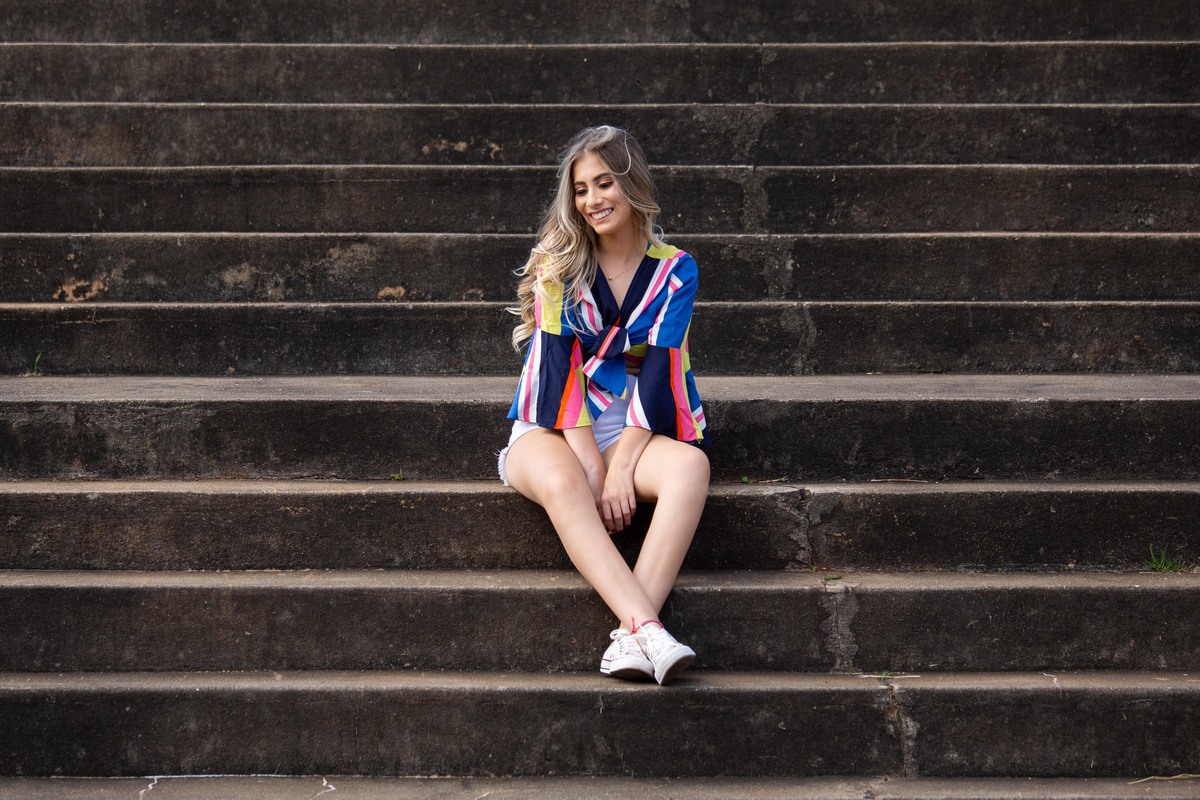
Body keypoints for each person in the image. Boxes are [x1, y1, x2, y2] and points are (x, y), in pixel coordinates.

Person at [497, 126, 710, 685]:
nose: (592, 199)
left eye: (605, 182)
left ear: (632, 184)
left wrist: (620, 468)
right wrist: (593, 463)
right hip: (552, 425)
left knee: (690, 467)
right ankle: (650, 629)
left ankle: (629, 640)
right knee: (566, 481)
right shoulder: (557, 262)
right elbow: (555, 369)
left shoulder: (676, 269)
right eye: (581, 189)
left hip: (629, 420)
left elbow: (661, 371)